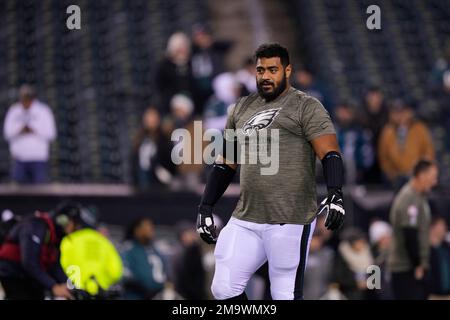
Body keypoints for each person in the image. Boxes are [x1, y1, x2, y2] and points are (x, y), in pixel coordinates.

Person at [196, 43, 345, 300]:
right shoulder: (241, 108)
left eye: (272, 69)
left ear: (287, 71)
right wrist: (205, 206)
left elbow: (330, 152)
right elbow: (226, 162)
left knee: (284, 295)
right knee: (223, 288)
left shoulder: (306, 106)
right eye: (260, 69)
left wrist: (335, 193)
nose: (265, 76)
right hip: (247, 215)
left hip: (290, 217)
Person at [0, 204, 80, 300]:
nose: (75, 228)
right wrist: (53, 286)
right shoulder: (36, 226)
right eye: (74, 223)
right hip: (13, 275)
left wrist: (72, 287)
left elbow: (55, 266)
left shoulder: (55, 235)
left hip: (26, 276)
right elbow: (29, 263)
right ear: (62, 220)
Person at [388, 160, 438, 300]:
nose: (435, 182)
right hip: (406, 268)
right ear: (421, 175)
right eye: (433, 177)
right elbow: (409, 233)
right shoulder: (408, 198)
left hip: (412, 267)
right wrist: (417, 265)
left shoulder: (419, 197)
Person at [59, 204, 122, 296]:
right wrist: (102, 282)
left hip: (75, 293)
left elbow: (60, 266)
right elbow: (116, 272)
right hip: (100, 293)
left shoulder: (68, 240)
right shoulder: (105, 242)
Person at [3, 84, 57, 184]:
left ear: (33, 98)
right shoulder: (14, 111)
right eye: (23, 98)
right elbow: (7, 134)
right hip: (19, 159)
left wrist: (34, 130)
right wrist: (20, 130)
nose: (26, 101)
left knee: (39, 193)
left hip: (38, 159)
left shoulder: (43, 111)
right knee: (19, 194)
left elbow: (51, 134)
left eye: (28, 98)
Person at [378, 99, 435, 190]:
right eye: (397, 112)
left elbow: (428, 153)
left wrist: (420, 172)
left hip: (417, 177)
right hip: (395, 179)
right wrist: (392, 174)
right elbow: (383, 157)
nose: (401, 115)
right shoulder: (387, 131)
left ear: (410, 112)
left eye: (403, 111)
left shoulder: (419, 129)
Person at [121, 217, 167, 300]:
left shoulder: (156, 250)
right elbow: (125, 273)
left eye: (151, 227)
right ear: (136, 230)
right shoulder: (129, 249)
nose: (149, 229)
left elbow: (163, 274)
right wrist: (142, 287)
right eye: (145, 227)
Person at [130, 107, 175, 188]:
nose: (150, 120)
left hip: (158, 181)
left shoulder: (164, 139)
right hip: (141, 177)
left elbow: (168, 160)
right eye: (148, 117)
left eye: (152, 117)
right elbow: (135, 159)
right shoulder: (139, 139)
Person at [334, 102, 374, 185]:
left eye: (346, 112)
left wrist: (361, 168)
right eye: (341, 112)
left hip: (356, 171)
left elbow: (367, 154)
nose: (344, 116)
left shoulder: (360, 131)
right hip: (334, 168)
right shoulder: (332, 130)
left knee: (349, 159)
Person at [155, 32, 193, 115]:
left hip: (192, 106)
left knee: (197, 125)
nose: (183, 51)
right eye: (180, 48)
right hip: (171, 106)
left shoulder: (191, 64)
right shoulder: (164, 66)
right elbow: (160, 87)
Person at [332, 228, 374, 300]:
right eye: (358, 242)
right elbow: (339, 276)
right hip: (349, 293)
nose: (361, 244)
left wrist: (369, 282)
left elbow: (375, 272)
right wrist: (356, 284)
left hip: (368, 292)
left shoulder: (368, 252)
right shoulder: (343, 255)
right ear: (352, 243)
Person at [359, 86, 388, 184]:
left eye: (377, 96)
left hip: (383, 154)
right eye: (372, 96)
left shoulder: (387, 115)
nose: (375, 99)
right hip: (366, 155)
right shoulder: (361, 115)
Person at [172, 221, 207, 300]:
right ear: (182, 236)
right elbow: (177, 278)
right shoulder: (178, 253)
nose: (194, 236)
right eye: (189, 233)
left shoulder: (195, 251)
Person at [303, 228, 335, 299]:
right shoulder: (300, 256)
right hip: (304, 295)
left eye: (318, 240)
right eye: (312, 240)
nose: (315, 243)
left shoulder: (328, 255)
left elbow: (333, 275)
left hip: (323, 295)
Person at [368, 220, 393, 300]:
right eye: (386, 236)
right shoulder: (372, 257)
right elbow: (374, 285)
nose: (389, 238)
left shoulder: (394, 253)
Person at [427, 216, 450, 299]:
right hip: (433, 295)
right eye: (441, 225)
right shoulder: (425, 249)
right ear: (432, 227)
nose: (445, 227)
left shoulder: (446, 246)